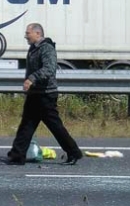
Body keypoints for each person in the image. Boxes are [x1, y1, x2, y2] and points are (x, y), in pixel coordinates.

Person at [7, 23, 83, 165]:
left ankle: (73, 152)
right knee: (27, 125)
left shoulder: (47, 48)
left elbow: (49, 69)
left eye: (28, 33)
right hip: (35, 93)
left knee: (55, 126)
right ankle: (17, 155)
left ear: (37, 33)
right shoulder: (34, 48)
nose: (25, 36)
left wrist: (31, 79)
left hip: (46, 94)